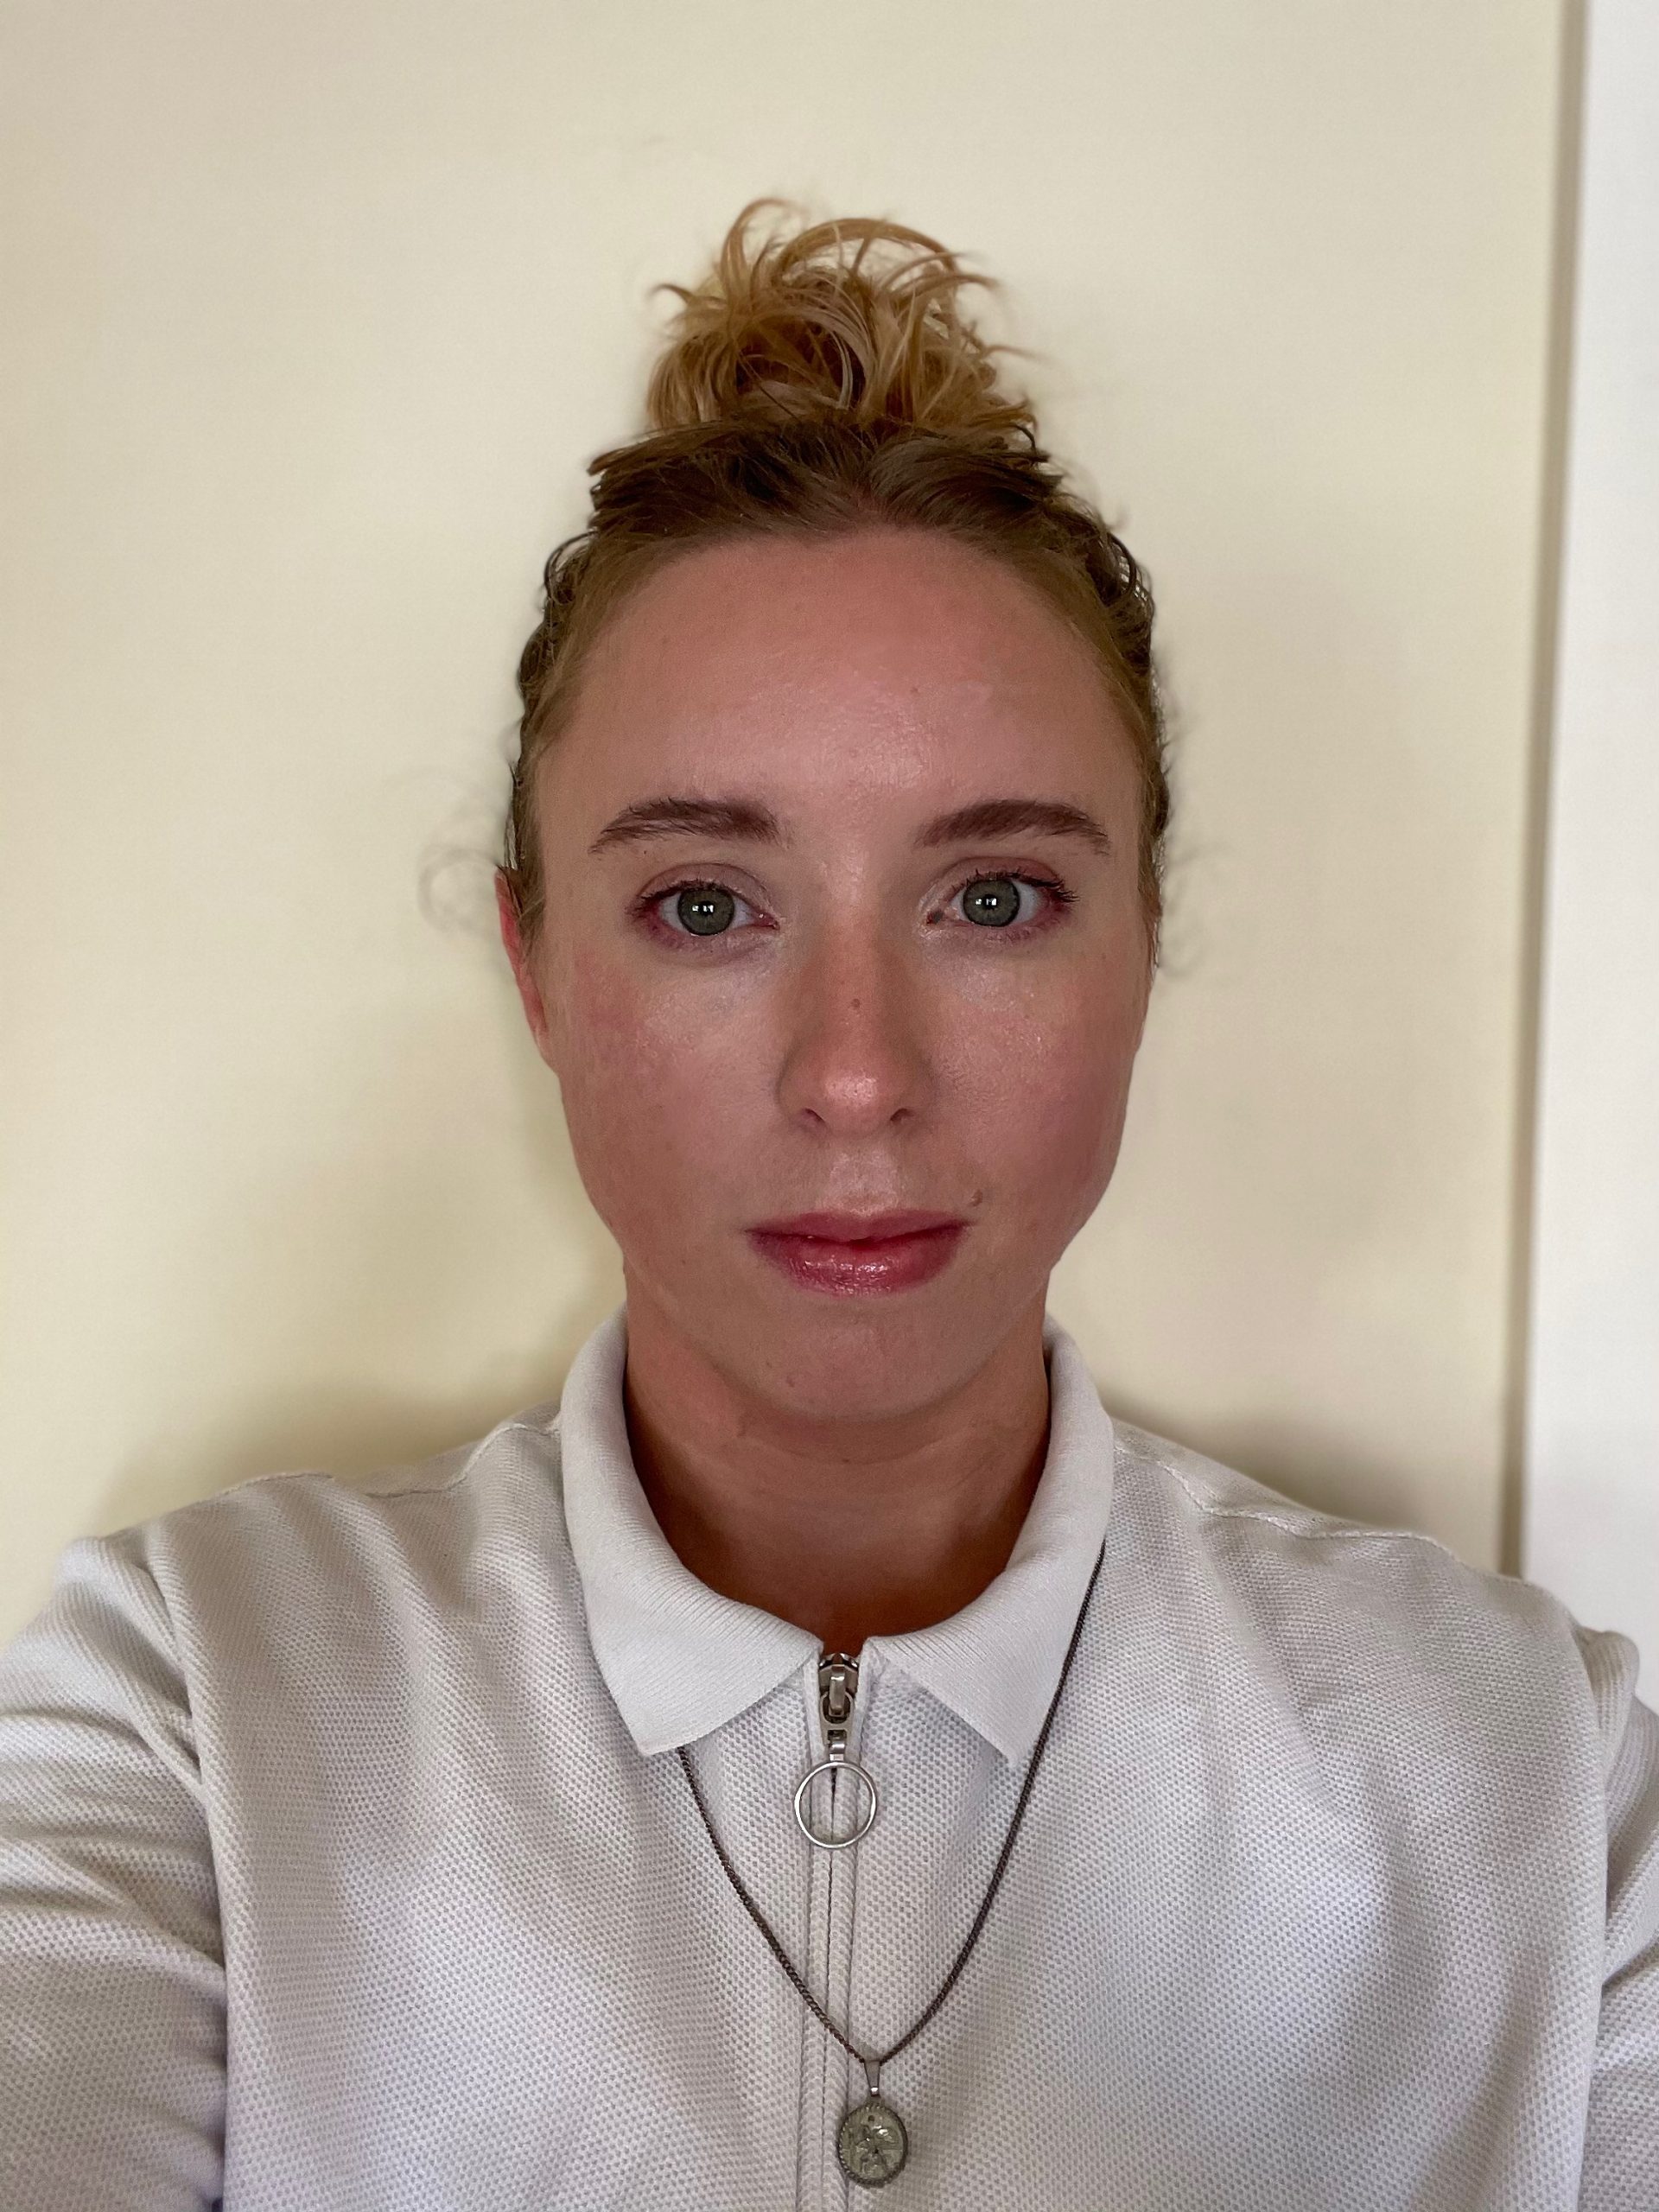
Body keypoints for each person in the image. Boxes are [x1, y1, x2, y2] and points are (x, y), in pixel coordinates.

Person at [1, 201, 1654, 2212]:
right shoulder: (195, 1703)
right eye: (706, 905)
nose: (857, 1069)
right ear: (537, 967)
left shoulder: (1539, 1780)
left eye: (995, 897)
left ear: (1145, 942)